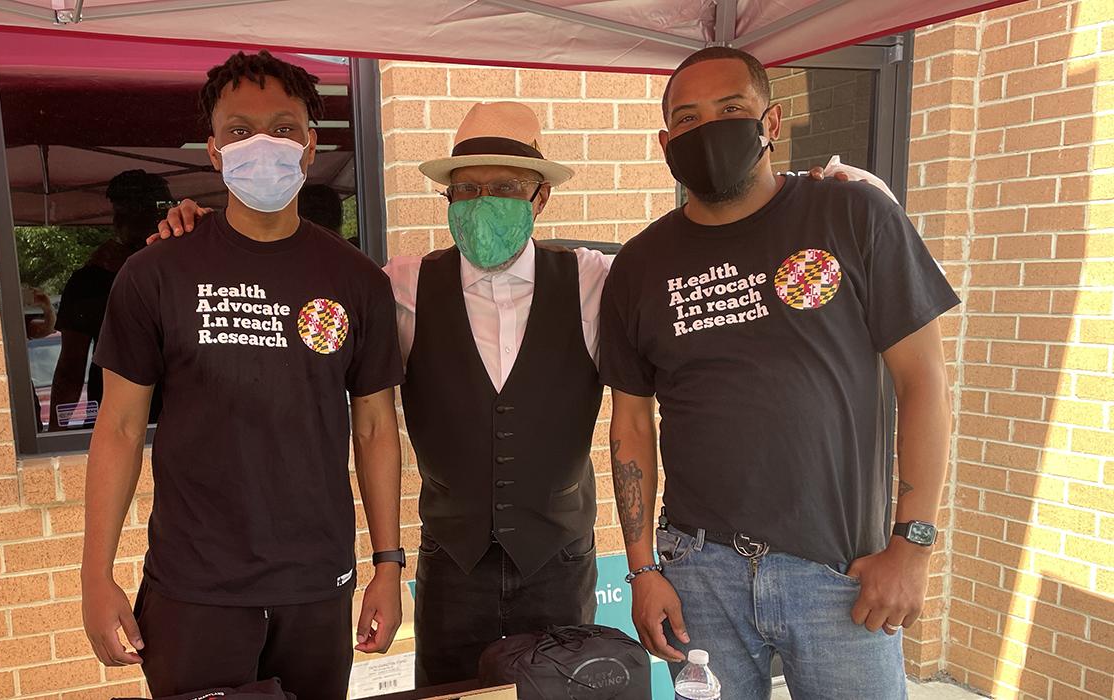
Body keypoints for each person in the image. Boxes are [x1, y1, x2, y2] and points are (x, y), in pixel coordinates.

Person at [155, 99, 891, 688]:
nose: (483, 202)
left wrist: (809, 193)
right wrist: (196, 229)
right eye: (466, 189)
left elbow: (705, 264)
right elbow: (305, 304)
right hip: (452, 567)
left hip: (559, 563)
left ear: (539, 195)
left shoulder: (600, 281)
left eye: (503, 188)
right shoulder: (400, 287)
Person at [599, 46, 958, 700]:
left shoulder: (854, 216)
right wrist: (643, 567)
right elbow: (629, 422)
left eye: (731, 108)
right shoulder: (640, 266)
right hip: (696, 574)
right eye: (687, 118)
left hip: (841, 576)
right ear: (664, 141)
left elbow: (925, 382)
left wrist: (913, 546)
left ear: (772, 120)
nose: (708, 128)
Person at [80, 50, 405, 699]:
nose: (263, 144)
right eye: (240, 129)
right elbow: (117, 427)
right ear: (213, 149)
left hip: (317, 588)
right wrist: (95, 574)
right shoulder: (156, 274)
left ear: (310, 147)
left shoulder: (357, 282)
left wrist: (388, 566)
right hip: (193, 592)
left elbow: (374, 428)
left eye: (283, 127)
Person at [49, 170, 170, 431]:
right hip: (121, 420)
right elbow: (71, 365)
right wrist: (54, 436)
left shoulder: (183, 268)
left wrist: (55, 436)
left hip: (174, 420)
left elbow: (71, 365)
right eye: (124, 212)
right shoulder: (90, 281)